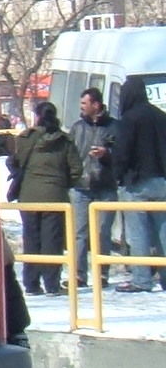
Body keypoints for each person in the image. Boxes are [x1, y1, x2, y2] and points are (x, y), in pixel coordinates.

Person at [0, 101, 82, 294]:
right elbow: (76, 170)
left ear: (37, 116)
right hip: (55, 198)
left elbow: (12, 161)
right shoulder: (64, 141)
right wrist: (61, 184)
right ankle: (52, 284)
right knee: (52, 241)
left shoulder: (25, 138)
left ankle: (31, 283)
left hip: (29, 196)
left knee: (31, 239)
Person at [111, 75, 166, 292]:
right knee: (163, 232)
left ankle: (142, 279)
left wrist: (117, 174)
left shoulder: (129, 119)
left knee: (138, 233)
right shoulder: (160, 116)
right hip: (161, 181)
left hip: (136, 183)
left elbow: (123, 152)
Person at [71, 87, 120, 288]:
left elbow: (123, 155)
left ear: (96, 105)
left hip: (106, 186)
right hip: (81, 187)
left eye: (85, 103)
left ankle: (102, 274)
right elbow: (70, 155)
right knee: (79, 233)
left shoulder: (114, 127)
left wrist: (106, 154)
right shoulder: (77, 128)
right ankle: (78, 275)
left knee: (102, 233)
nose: (81, 107)